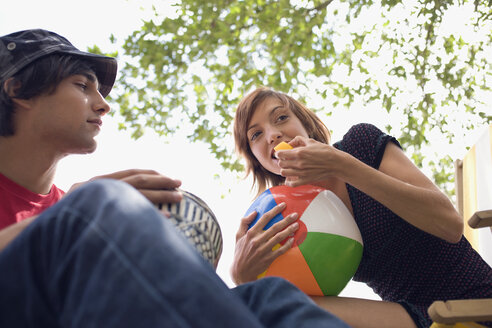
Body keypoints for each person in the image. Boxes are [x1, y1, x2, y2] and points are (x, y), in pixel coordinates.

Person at [0, 30, 351, 327]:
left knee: (265, 296)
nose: (103, 104)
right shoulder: (80, 209)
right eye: (82, 86)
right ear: (17, 90)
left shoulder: (73, 206)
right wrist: (74, 213)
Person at [231, 86, 492, 328]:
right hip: (412, 317)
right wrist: (245, 279)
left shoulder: (359, 145)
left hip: (473, 302)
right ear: (256, 158)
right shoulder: (283, 214)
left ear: (304, 124)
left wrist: (342, 165)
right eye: (256, 134)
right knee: (259, 303)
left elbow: (450, 225)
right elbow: (294, 305)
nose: (272, 134)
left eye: (280, 118)